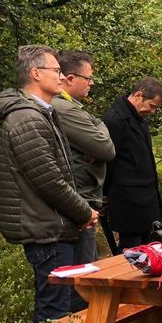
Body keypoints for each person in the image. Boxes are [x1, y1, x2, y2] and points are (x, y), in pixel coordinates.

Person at [0, 45, 98, 323]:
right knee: (54, 314)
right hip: (46, 231)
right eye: (56, 71)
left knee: (67, 308)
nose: (62, 77)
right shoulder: (26, 118)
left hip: (55, 227)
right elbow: (48, 180)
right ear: (36, 73)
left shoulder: (42, 113)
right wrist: (83, 211)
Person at [52, 50, 115, 272]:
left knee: (87, 270)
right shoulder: (63, 108)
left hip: (85, 200)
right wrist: (99, 128)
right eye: (88, 78)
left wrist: (97, 130)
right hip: (80, 202)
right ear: (70, 78)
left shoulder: (72, 107)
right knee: (82, 276)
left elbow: (101, 143)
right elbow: (106, 148)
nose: (91, 83)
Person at [103, 77, 162, 249]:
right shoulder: (114, 120)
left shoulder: (138, 117)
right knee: (131, 254)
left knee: (151, 251)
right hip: (128, 203)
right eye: (152, 106)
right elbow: (107, 161)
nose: (153, 111)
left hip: (146, 201)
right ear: (139, 95)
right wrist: (105, 194)